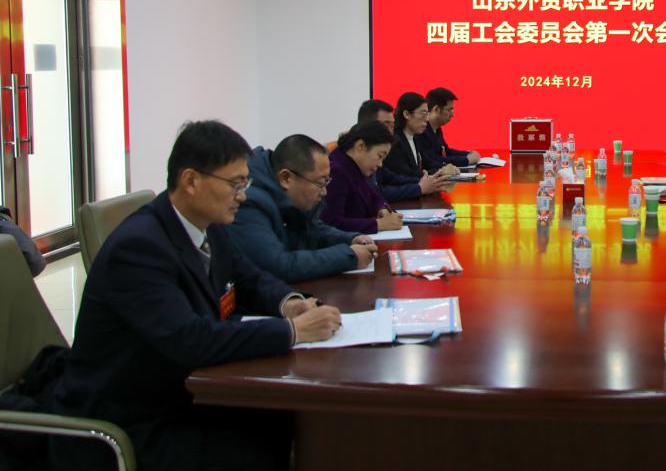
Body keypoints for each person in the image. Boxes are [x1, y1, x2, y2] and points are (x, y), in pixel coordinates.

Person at [49, 121, 342, 471]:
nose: (243, 196)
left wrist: (289, 303)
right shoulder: (139, 247)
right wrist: (293, 332)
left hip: (179, 389)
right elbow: (191, 338)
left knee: (285, 418)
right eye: (235, 184)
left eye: (246, 184)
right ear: (191, 181)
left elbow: (247, 276)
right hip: (132, 416)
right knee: (264, 441)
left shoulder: (208, 226)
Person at [226, 134, 378, 283]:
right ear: (286, 178)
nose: (324, 192)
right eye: (320, 183)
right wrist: (348, 256)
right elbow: (277, 266)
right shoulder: (250, 203)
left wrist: (349, 239)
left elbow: (311, 229)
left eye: (326, 182)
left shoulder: (286, 193)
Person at [357, 99, 450, 202]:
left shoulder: (412, 139)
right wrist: (419, 188)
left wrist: (429, 182)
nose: (390, 132)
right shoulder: (355, 157)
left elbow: (392, 178)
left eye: (392, 126)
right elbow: (374, 193)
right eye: (386, 125)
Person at [321, 121, 403, 233]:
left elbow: (374, 197)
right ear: (361, 146)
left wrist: (382, 209)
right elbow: (331, 222)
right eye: (380, 156)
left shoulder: (353, 167)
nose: (380, 164)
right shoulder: (336, 171)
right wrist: (379, 224)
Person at [383, 92, 459, 182]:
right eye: (423, 114)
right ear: (407, 114)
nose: (427, 119)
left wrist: (443, 170)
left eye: (427, 114)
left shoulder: (415, 137)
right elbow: (406, 175)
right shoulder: (395, 141)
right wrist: (440, 172)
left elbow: (428, 163)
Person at [420, 87, 480, 169]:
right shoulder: (421, 130)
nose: (452, 115)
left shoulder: (437, 128)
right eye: (449, 110)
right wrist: (466, 160)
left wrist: (468, 154)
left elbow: (446, 151)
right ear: (437, 109)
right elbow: (433, 160)